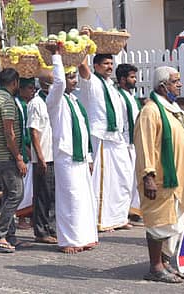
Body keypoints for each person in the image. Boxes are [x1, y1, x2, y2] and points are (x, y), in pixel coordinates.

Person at [135, 66, 184, 283]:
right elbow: (144, 144)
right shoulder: (151, 111)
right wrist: (148, 176)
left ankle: (165, 263)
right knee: (159, 223)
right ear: (163, 86)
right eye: (175, 81)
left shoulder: (172, 109)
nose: (180, 84)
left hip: (178, 180)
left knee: (173, 223)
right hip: (160, 179)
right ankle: (155, 267)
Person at [77, 40, 134, 232]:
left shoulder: (112, 86)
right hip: (100, 135)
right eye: (106, 64)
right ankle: (101, 220)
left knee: (123, 178)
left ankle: (119, 217)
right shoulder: (91, 81)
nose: (110, 67)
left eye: (111, 64)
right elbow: (82, 66)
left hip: (116, 138)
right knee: (102, 182)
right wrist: (84, 40)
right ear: (96, 66)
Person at [47, 49, 99, 254]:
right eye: (70, 77)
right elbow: (58, 83)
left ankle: (84, 237)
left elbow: (84, 131)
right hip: (65, 156)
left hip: (80, 158)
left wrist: (89, 157)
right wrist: (57, 57)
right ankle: (68, 240)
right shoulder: (55, 101)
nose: (74, 81)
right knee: (69, 198)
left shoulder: (75, 102)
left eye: (75, 76)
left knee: (84, 198)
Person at [0, 68, 33, 253]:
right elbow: (9, 133)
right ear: (15, 82)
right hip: (7, 155)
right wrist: (19, 157)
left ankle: (10, 236)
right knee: (16, 194)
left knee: (8, 195)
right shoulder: (6, 101)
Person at [26, 71, 58, 245]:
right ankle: (40, 231)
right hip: (43, 156)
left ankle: (51, 228)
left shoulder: (53, 101)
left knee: (53, 195)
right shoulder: (37, 103)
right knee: (42, 195)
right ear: (45, 84)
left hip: (56, 155)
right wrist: (40, 157)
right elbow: (33, 131)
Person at [115, 63, 144, 226]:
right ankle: (122, 214)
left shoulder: (132, 97)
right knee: (125, 180)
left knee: (134, 179)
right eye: (132, 77)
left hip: (134, 143)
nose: (135, 81)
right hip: (124, 143)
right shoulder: (118, 97)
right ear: (123, 79)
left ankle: (133, 211)